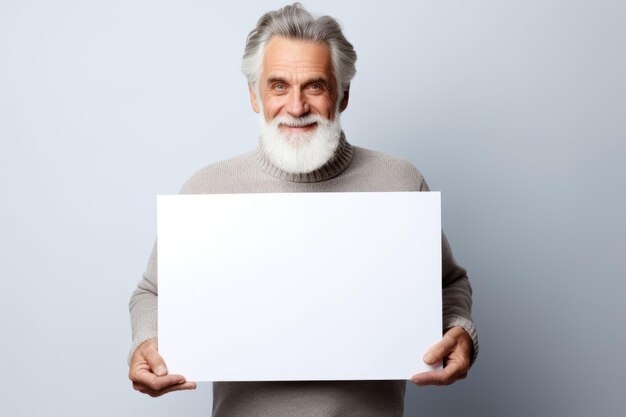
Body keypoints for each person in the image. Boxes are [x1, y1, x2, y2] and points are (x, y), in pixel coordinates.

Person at [128, 3, 478, 416]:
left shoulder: (398, 182)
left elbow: (449, 281)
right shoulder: (207, 191)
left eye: (314, 86)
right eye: (278, 86)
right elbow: (152, 292)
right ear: (254, 96)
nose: (296, 107)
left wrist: (460, 330)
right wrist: (146, 340)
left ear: (343, 94)